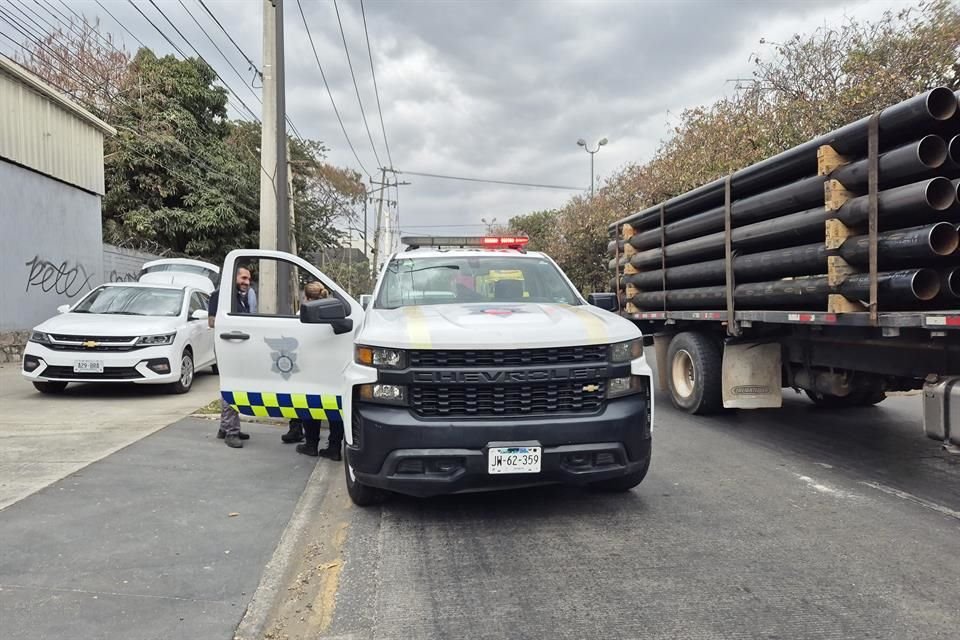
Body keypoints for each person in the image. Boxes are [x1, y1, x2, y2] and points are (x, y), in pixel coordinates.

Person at [290, 281, 344, 461]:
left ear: (305, 297)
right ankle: (334, 447)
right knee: (335, 407)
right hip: (334, 367)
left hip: (309, 368)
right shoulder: (337, 312)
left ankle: (311, 444)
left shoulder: (301, 314)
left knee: (309, 405)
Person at [208, 266, 255, 449]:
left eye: (248, 279)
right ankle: (231, 432)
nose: (247, 282)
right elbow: (212, 322)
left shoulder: (240, 297)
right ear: (233, 278)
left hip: (238, 348)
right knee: (231, 389)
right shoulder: (219, 295)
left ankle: (224, 427)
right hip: (228, 348)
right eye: (243, 278)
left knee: (233, 388)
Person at [281, 281, 328, 445]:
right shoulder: (329, 312)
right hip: (324, 364)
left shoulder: (303, 313)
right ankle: (329, 443)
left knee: (301, 398)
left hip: (304, 362)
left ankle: (301, 434)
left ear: (306, 298)